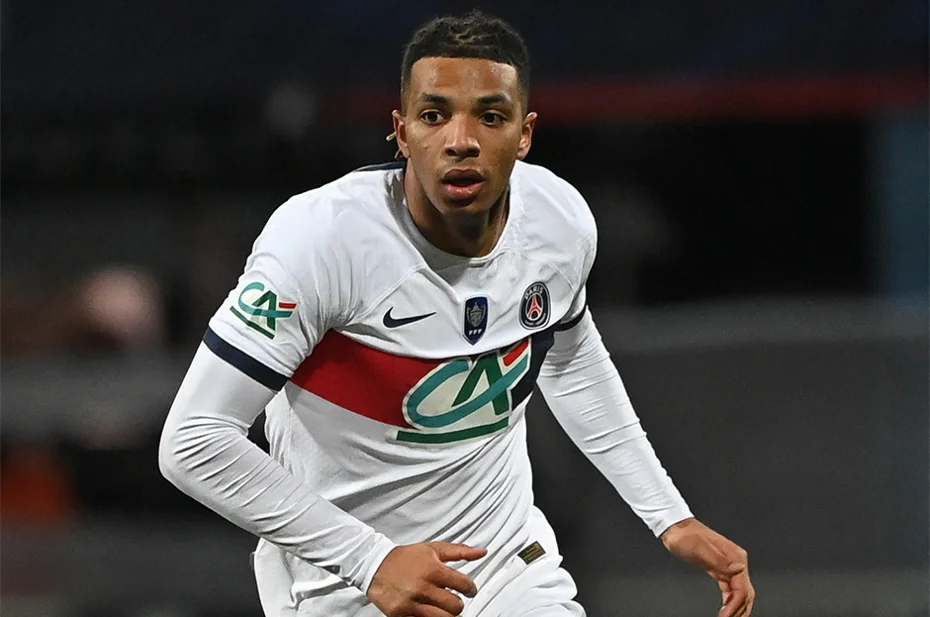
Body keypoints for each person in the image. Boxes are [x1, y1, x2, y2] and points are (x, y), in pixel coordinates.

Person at [159, 10, 755, 617]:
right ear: (401, 132)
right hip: (345, 585)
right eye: (434, 115)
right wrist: (371, 560)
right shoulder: (322, 241)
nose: (461, 140)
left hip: (506, 567)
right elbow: (194, 440)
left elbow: (572, 361)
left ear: (524, 134)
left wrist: (668, 516)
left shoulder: (558, 222)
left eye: (490, 117)